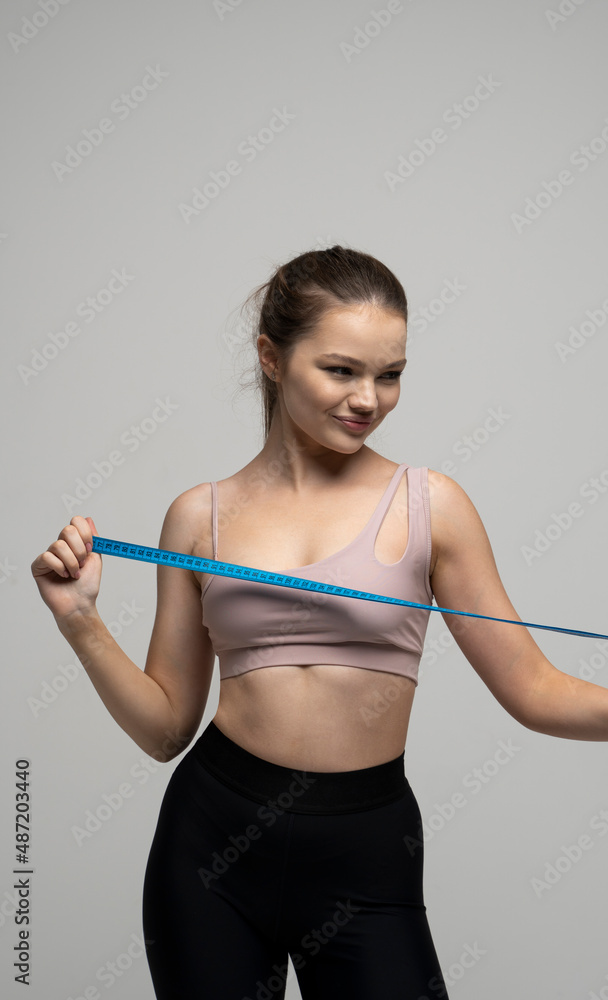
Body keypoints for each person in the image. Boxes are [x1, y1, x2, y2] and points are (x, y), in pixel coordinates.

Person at [31, 246, 608, 999]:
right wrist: (81, 621)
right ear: (271, 357)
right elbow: (167, 729)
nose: (369, 398)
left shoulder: (432, 505)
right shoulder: (197, 517)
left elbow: (536, 691)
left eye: (390, 373)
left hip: (366, 848)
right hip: (210, 846)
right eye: (341, 370)